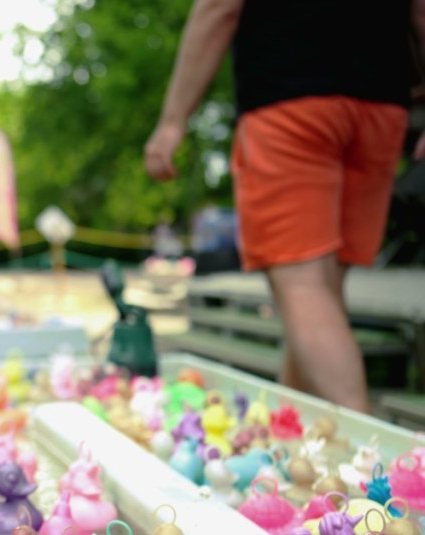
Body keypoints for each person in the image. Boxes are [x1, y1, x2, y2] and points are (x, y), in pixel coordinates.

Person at [144, 0, 423, 412]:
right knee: (319, 293)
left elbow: (218, 6)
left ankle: (367, 460)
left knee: (303, 286)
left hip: (290, 95)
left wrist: (172, 120)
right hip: (381, 107)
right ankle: (288, 434)